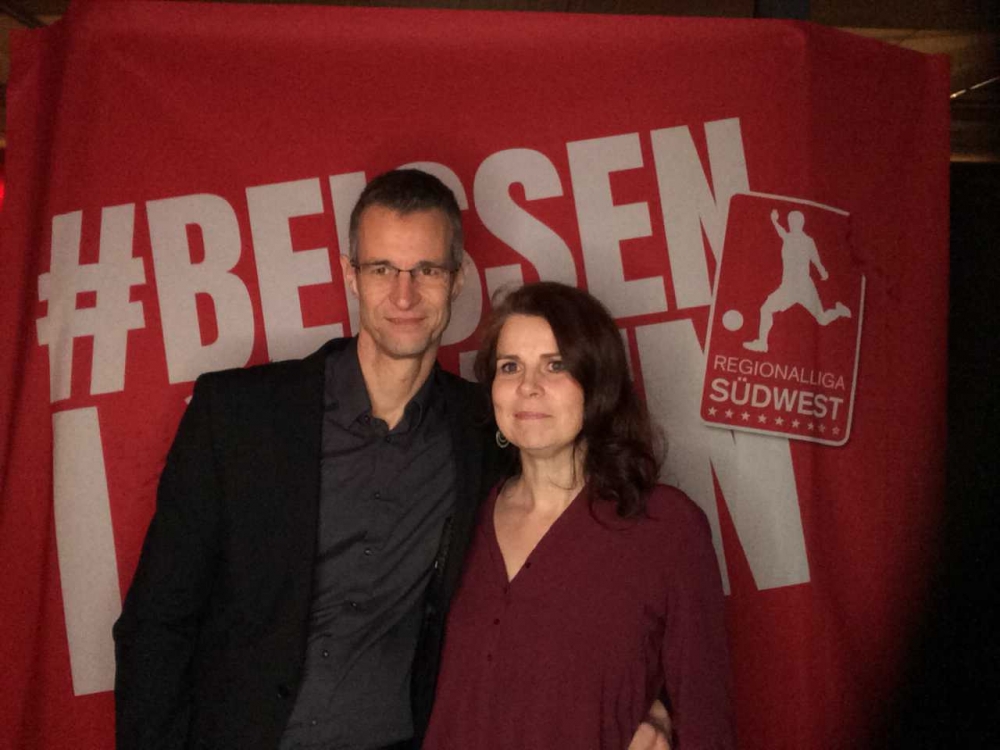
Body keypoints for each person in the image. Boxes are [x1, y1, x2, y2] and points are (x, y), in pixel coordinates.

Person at [113, 170, 671, 750]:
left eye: (426, 271)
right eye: (382, 270)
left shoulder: (492, 428)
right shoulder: (237, 415)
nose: (404, 296)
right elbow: (156, 622)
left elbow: (597, 556)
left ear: (457, 279)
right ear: (350, 275)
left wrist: (649, 699)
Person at [423, 282, 736, 749]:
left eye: (556, 365)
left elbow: (706, 717)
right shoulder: (461, 515)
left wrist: (658, 714)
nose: (528, 386)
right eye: (510, 366)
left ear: (597, 384)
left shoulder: (667, 528)